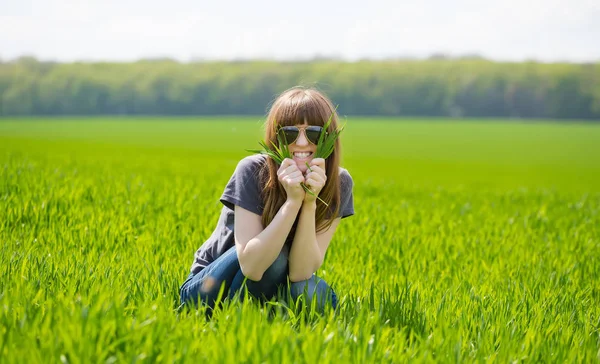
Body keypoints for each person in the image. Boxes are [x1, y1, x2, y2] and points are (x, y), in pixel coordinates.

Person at [179, 87, 354, 314]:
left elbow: (300, 273)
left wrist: (309, 202)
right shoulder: (253, 170)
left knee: (311, 293)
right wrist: (292, 202)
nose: (301, 143)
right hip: (209, 285)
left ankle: (272, 324)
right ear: (275, 137)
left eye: (314, 133)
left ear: (329, 137)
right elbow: (251, 266)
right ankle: (232, 321)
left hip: (277, 281)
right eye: (290, 133)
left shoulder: (338, 181)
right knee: (277, 258)